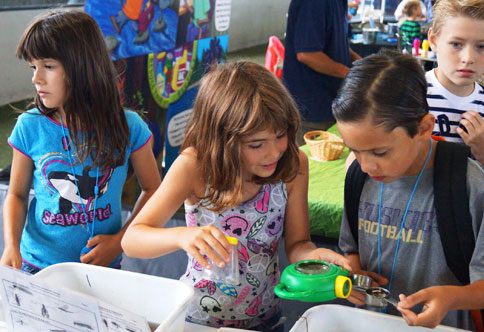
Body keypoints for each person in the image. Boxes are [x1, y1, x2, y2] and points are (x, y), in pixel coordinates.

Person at [121, 61, 350, 330]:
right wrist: (182, 236)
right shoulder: (194, 166)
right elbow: (133, 239)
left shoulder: (293, 163)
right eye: (256, 144)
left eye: (280, 135)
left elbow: (298, 244)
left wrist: (315, 257)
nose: (274, 152)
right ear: (221, 140)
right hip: (199, 319)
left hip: (266, 319)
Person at [332, 51, 484, 330]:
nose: (366, 165)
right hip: (373, 322)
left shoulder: (470, 186)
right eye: (354, 151)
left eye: (380, 151)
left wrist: (453, 296)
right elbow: (351, 250)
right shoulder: (359, 178)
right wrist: (355, 273)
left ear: (424, 127)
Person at [1, 10, 161, 274]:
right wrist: (11, 246)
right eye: (33, 67)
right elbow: (17, 195)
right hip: (37, 266)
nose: (36, 78)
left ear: (82, 68)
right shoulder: (29, 126)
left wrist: (120, 241)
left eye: (48, 67)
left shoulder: (129, 126)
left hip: (102, 269)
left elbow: (154, 189)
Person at [426, 0, 484, 183]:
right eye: (456, 44)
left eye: (481, 47)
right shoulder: (408, 94)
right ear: (434, 40)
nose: (468, 59)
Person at [283, 0, 361, 145]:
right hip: (310, 108)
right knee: (308, 161)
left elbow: (337, 44)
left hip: (330, 101)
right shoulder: (313, 3)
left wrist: (363, 64)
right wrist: (350, 74)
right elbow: (307, 54)